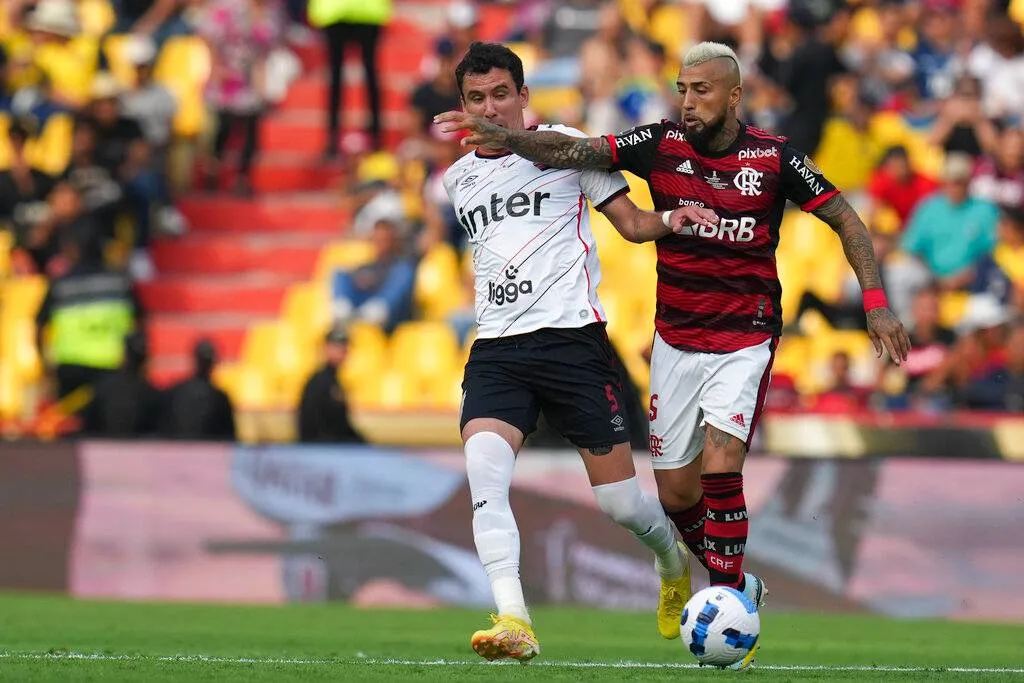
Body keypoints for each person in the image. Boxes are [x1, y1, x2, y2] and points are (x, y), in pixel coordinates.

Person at [437, 40, 911, 669]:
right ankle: (519, 617)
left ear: (734, 95)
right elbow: (563, 175)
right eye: (682, 89)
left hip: (725, 334)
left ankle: (728, 600)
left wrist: (875, 303)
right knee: (668, 493)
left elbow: (845, 220)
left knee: (708, 468)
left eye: (701, 90)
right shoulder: (650, 145)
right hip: (636, 340)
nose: (687, 101)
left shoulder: (773, 157)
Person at [438, 42, 720, 664]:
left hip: (573, 344)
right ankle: (513, 618)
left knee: (620, 503)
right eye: (477, 99)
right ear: (463, 106)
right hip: (497, 349)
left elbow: (633, 224)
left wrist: (673, 219)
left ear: (523, 96)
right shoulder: (457, 180)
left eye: (501, 94)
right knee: (484, 475)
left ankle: (671, 560)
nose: (491, 108)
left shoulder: (567, 147)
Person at [298, 325, 364, 443]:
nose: (342, 351)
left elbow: (342, 424)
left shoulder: (336, 382)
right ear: (326, 348)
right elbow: (310, 424)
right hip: (321, 447)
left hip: (335, 446)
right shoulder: (318, 382)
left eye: (344, 346)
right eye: (336, 346)